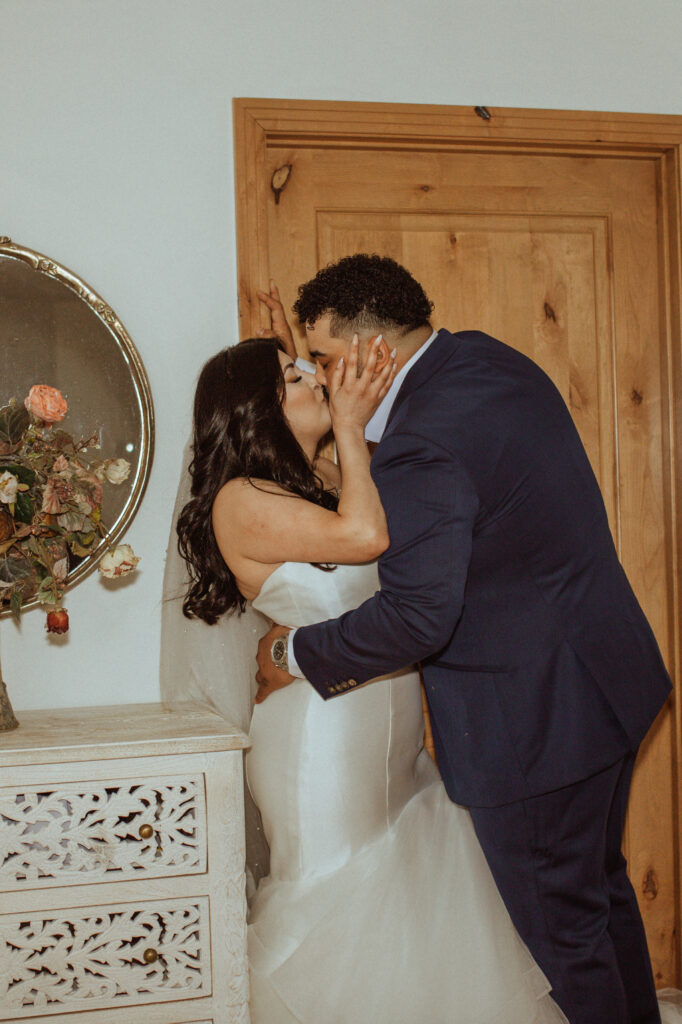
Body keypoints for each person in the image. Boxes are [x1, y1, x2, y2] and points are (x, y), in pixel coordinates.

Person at [254, 254, 674, 1024]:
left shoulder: (423, 441)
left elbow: (418, 618)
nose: (319, 376)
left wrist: (294, 653)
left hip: (535, 721)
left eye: (322, 358)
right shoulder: (483, 360)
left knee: (559, 938)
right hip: (605, 680)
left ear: (374, 353)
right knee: (600, 898)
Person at [174, 329, 569, 1023]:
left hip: (390, 730)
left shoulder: (328, 478)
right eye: (293, 378)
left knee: (408, 904)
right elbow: (366, 540)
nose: (314, 379)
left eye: (307, 368)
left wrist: (330, 389)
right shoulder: (239, 497)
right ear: (256, 411)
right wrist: (348, 425)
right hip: (318, 742)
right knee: (338, 899)